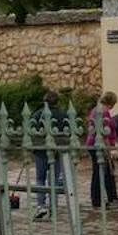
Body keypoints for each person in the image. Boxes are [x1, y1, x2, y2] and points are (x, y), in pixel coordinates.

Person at [29, 91, 67, 220]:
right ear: (57, 101)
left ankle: (41, 206)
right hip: (57, 151)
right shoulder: (63, 114)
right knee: (54, 180)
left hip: (41, 150)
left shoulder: (38, 114)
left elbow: (30, 130)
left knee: (40, 178)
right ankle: (54, 206)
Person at [85, 91, 118, 208]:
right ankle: (97, 200)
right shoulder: (103, 112)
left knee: (101, 171)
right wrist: (107, 149)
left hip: (93, 144)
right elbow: (104, 130)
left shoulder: (95, 109)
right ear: (111, 103)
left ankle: (106, 197)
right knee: (100, 172)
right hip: (99, 145)